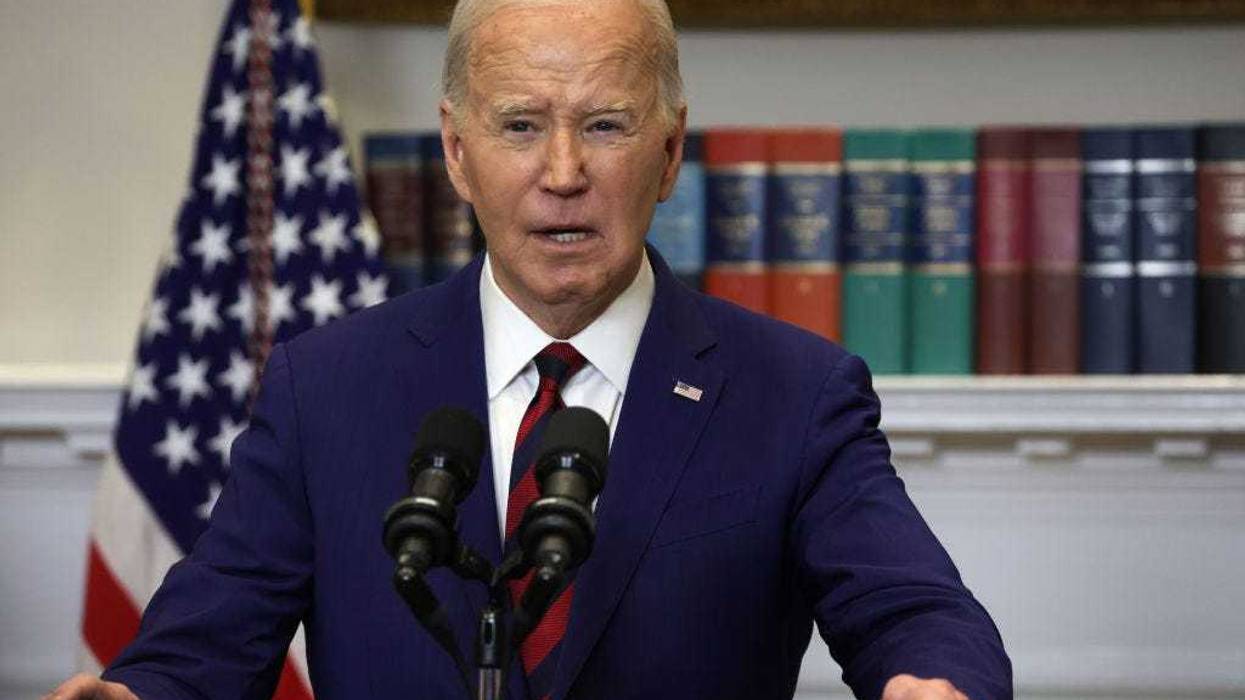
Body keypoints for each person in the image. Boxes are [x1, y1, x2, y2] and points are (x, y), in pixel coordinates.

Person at [48, 0, 1010, 698]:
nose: (562, 174)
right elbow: (202, 649)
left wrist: (937, 684)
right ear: (457, 152)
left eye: (604, 125)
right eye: (519, 126)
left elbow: (918, 612)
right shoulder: (326, 387)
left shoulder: (793, 394)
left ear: (669, 153)